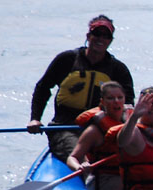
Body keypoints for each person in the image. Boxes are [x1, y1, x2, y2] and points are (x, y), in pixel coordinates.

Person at [28, 15, 135, 162]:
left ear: (110, 41)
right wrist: (35, 119)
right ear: (88, 36)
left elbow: (128, 103)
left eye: (106, 36)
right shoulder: (66, 60)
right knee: (82, 158)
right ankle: (84, 171)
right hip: (64, 128)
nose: (101, 39)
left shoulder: (118, 69)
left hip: (101, 128)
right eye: (97, 34)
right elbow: (43, 88)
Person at [66, 81, 128, 190]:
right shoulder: (94, 131)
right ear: (102, 102)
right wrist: (79, 167)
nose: (116, 101)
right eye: (110, 98)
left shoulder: (132, 123)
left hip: (125, 176)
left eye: (120, 97)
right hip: (103, 180)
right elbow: (72, 157)